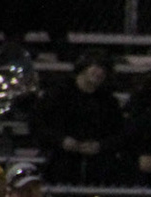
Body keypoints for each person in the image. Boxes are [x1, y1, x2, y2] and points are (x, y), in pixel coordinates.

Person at [30, 52, 124, 188]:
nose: (100, 73)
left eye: (104, 70)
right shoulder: (58, 94)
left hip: (96, 166)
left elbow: (118, 133)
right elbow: (37, 124)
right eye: (96, 67)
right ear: (84, 67)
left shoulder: (108, 101)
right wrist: (61, 140)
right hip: (59, 160)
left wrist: (99, 145)